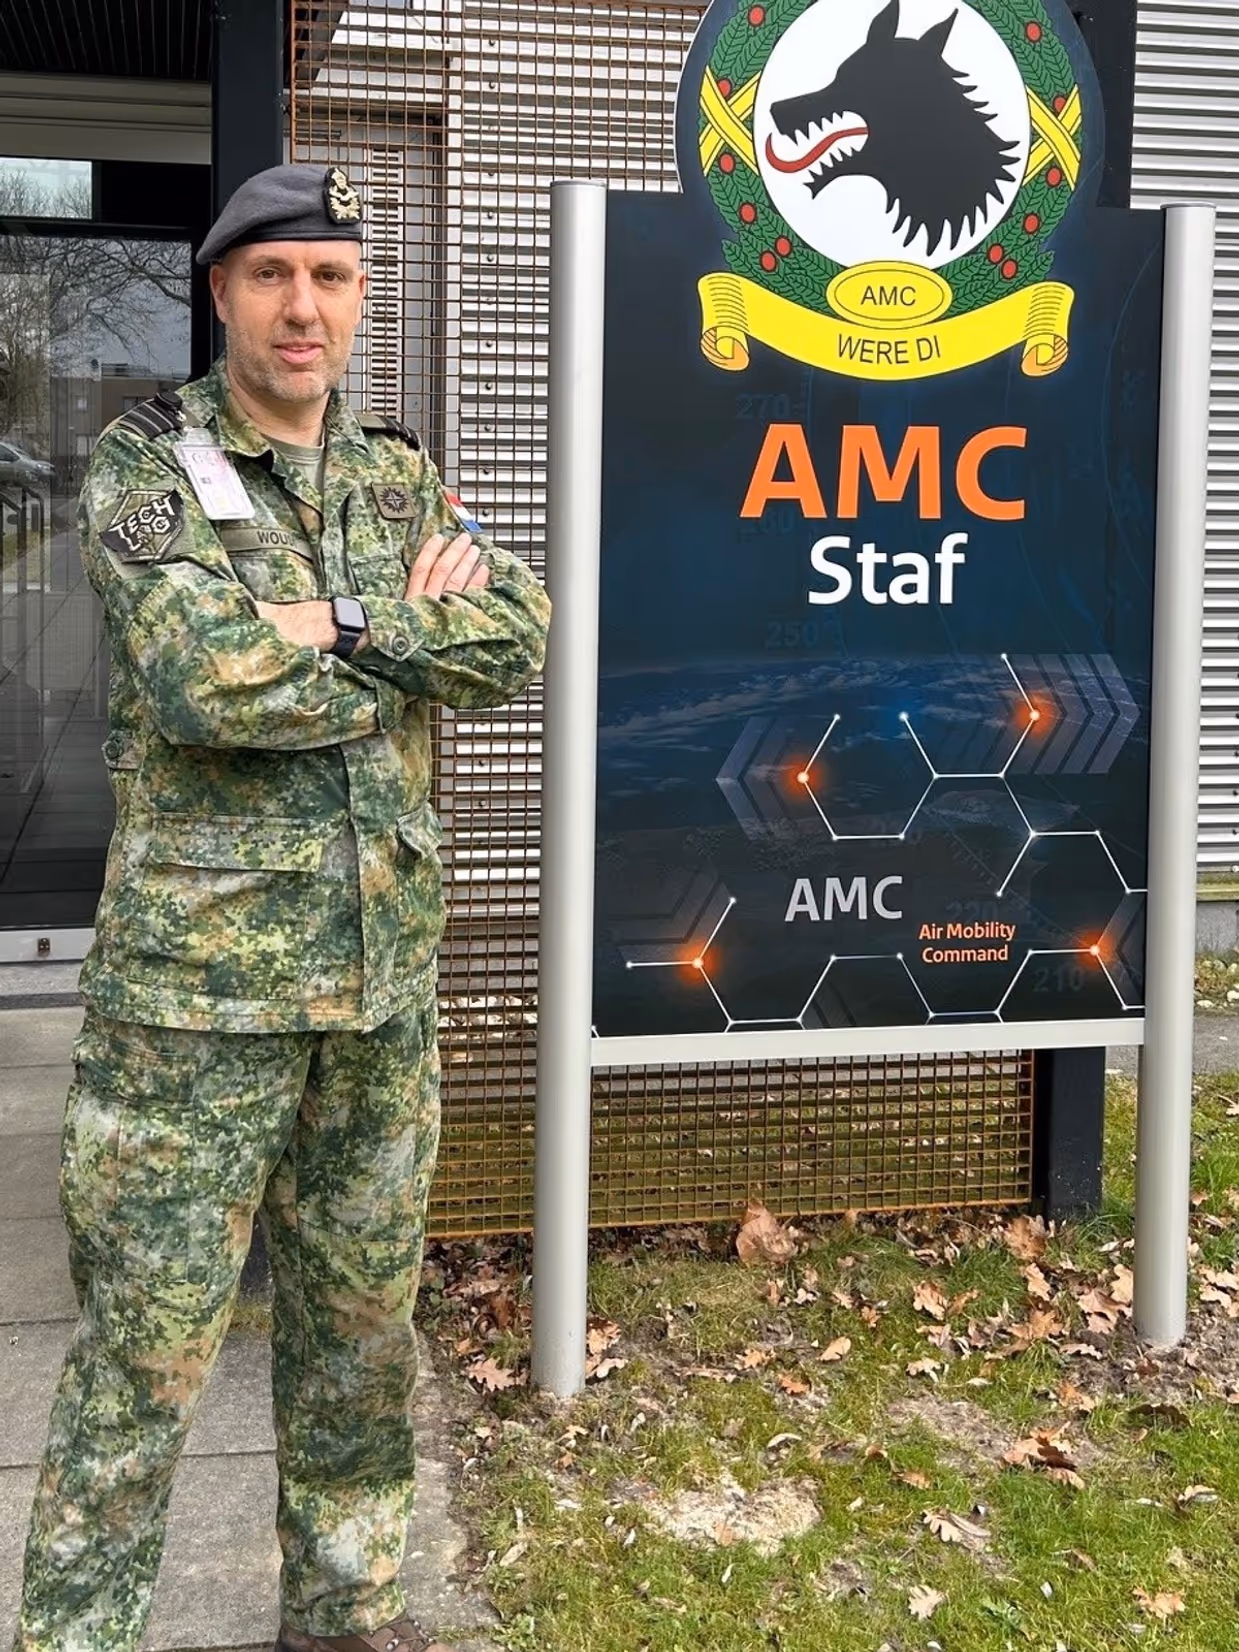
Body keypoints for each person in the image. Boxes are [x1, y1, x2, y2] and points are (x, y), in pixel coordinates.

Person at [14, 163, 551, 1652]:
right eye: (270, 276)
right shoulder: (142, 467)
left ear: (358, 297)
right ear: (221, 293)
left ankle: (344, 1613)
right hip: (198, 1005)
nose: (301, 306)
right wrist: (399, 636)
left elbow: (514, 631)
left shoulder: (391, 470)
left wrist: (343, 616)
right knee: (148, 1351)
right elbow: (203, 678)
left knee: (362, 1333)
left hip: (382, 989)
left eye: (328, 276)